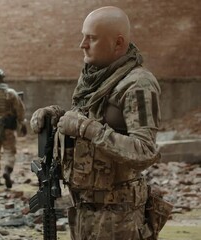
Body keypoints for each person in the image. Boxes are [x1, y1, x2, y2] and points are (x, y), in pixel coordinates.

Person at [30, 6, 171, 240]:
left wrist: (86, 129)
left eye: (91, 38)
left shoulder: (138, 85)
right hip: (83, 208)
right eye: (83, 36)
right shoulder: (94, 76)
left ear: (118, 43)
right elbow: (88, 116)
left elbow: (145, 151)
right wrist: (56, 114)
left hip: (118, 217)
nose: (82, 44)